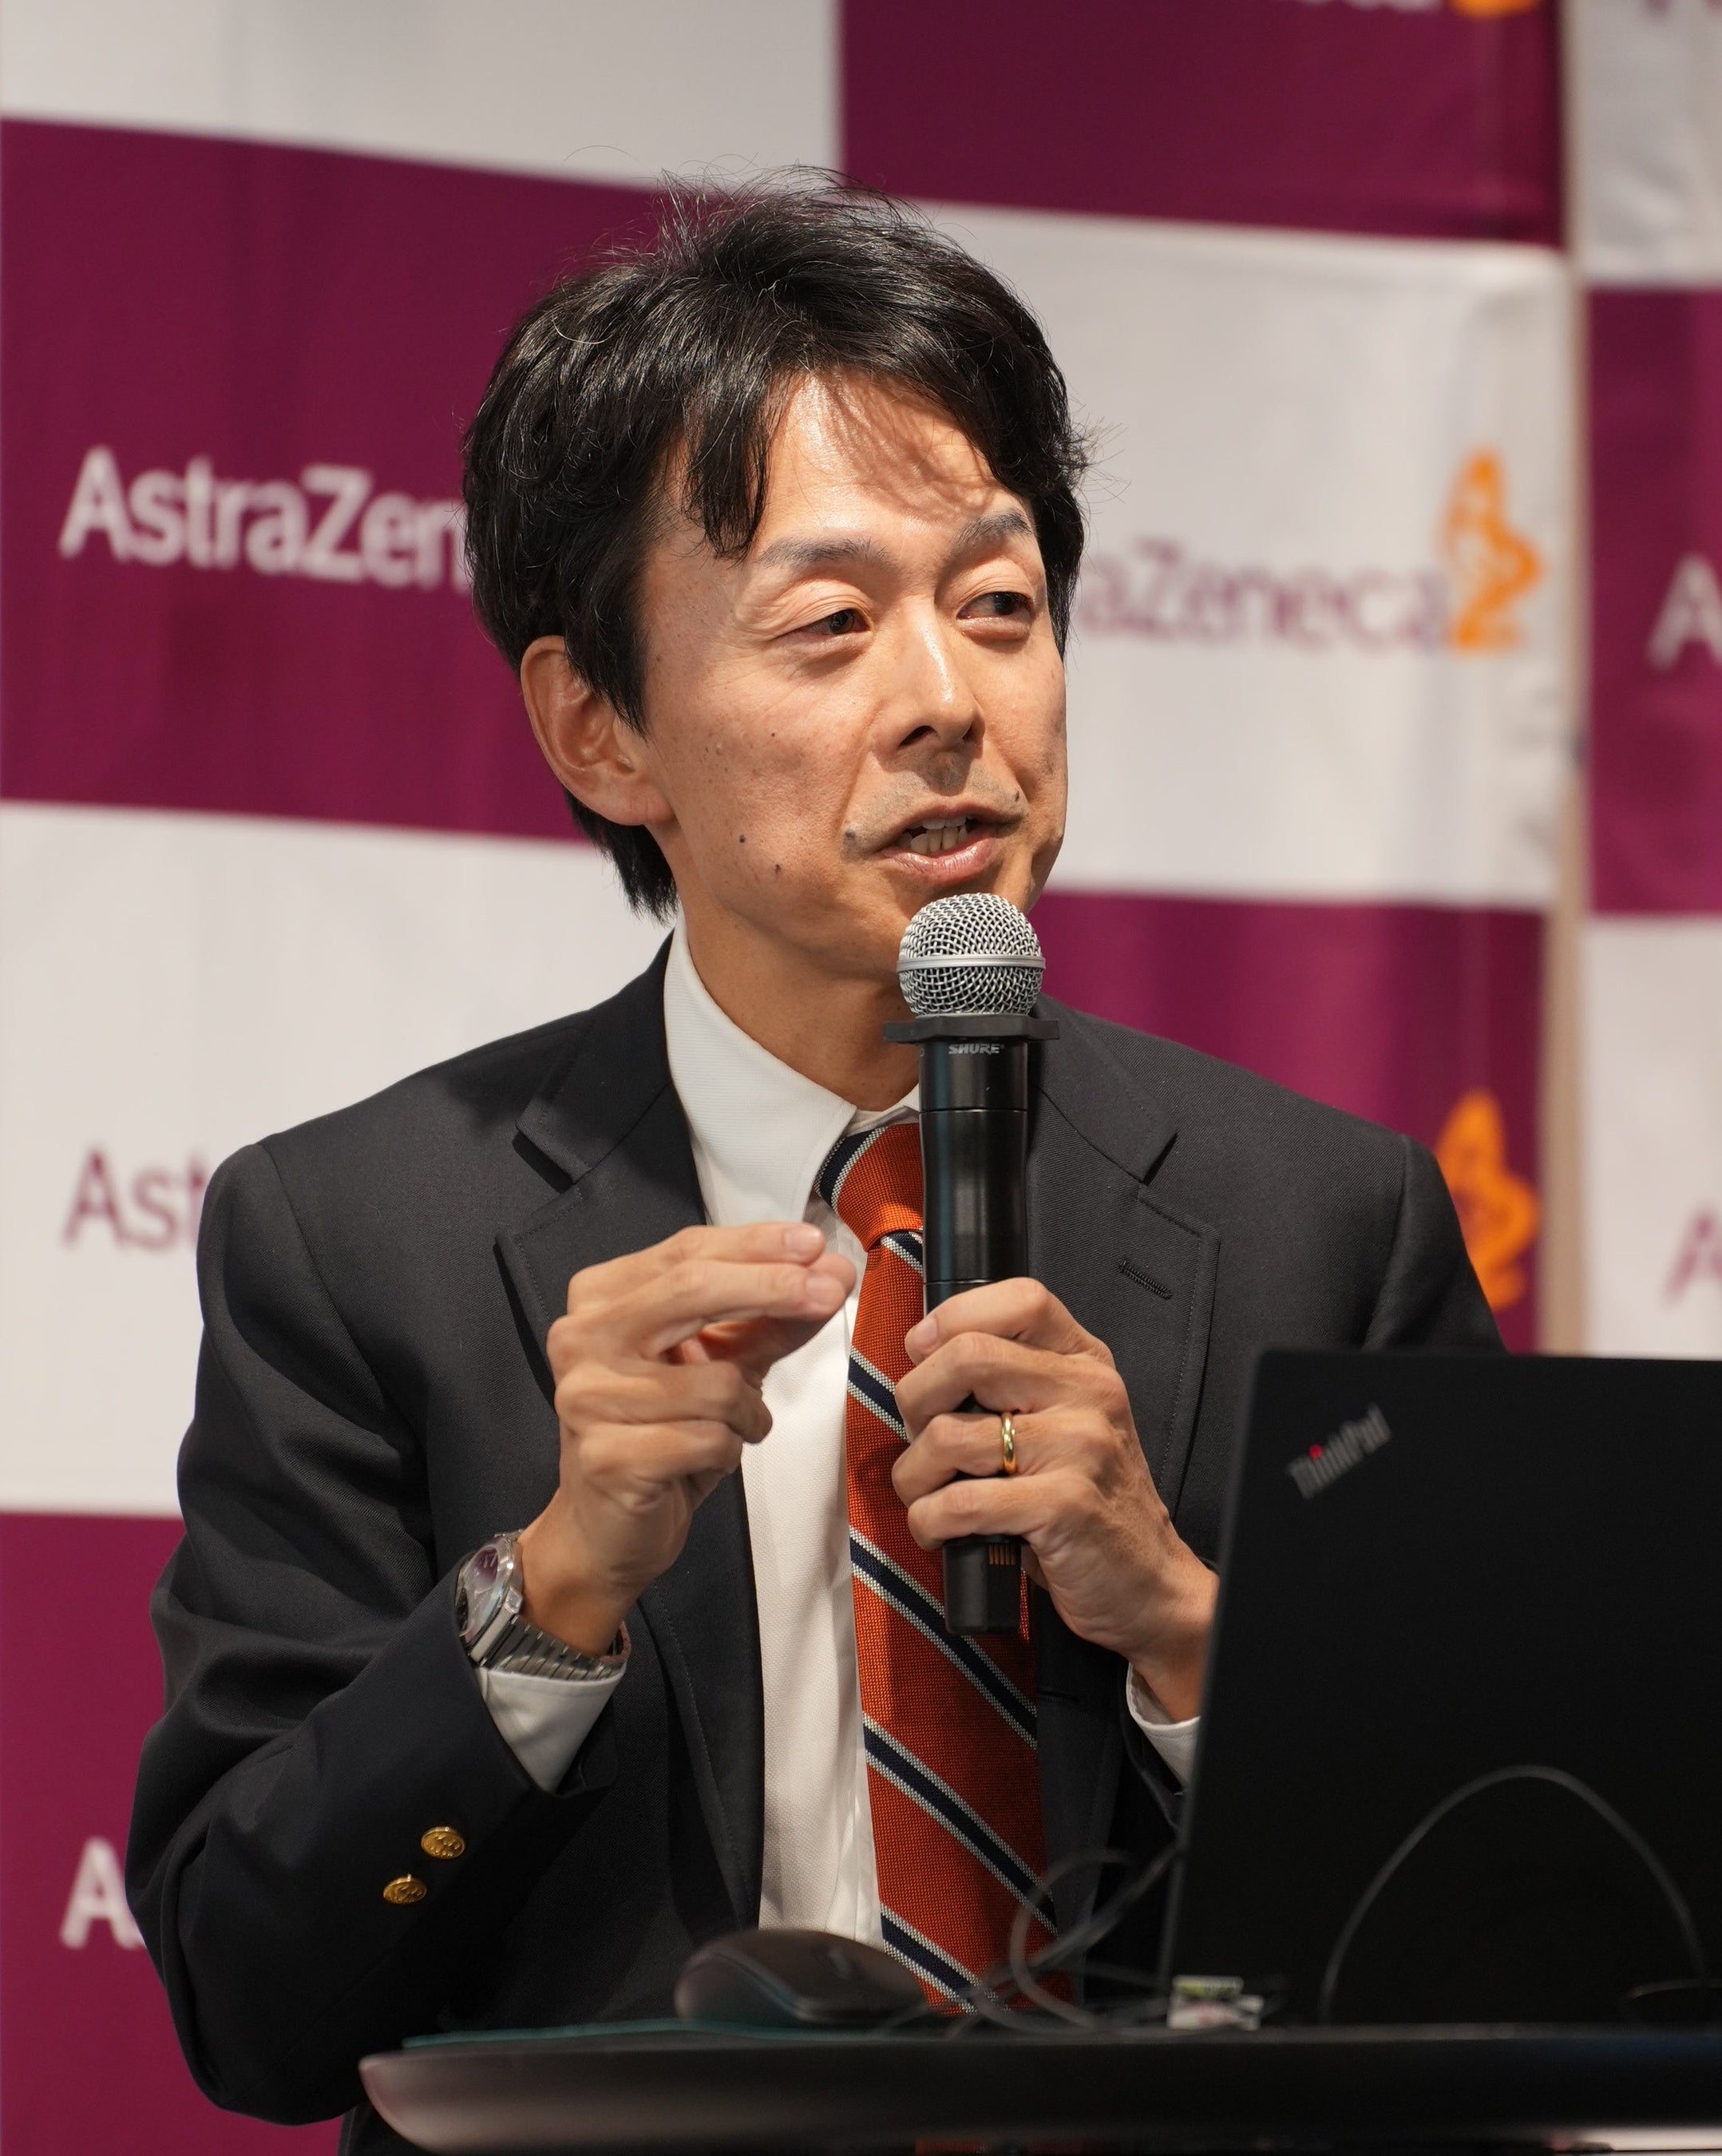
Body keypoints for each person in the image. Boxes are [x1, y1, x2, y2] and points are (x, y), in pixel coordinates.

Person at [126, 179, 1497, 2145]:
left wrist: (1188, 1628)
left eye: (998, 605)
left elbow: (1514, 1943)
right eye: (831, 624)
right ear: (599, 729)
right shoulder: (358, 1240)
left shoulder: (1322, 1221)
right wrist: (553, 1588)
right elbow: (251, 2003)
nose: (947, 700)